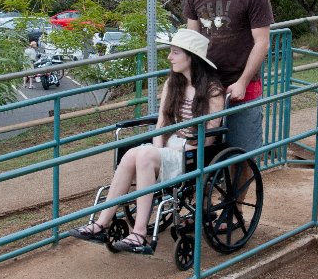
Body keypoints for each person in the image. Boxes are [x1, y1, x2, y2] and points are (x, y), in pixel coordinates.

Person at [69, 29, 225, 253]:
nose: (169, 57)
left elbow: (209, 136)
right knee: (134, 153)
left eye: (175, 53)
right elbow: (162, 123)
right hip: (168, 148)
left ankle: (139, 233)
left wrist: (176, 146)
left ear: (191, 57)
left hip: (192, 151)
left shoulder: (213, 91)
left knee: (142, 154)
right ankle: (102, 223)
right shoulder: (173, 84)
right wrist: (159, 148)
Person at [184, 0, 274, 227]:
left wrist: (244, 81)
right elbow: (192, 38)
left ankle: (232, 208)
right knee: (201, 147)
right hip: (207, 85)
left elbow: (262, 42)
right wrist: (189, 78)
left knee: (243, 152)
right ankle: (200, 204)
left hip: (241, 84)